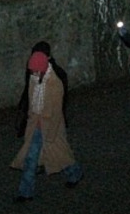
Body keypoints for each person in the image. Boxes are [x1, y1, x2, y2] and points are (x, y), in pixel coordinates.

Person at [11, 47, 83, 202]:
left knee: (59, 154)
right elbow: (31, 103)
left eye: (36, 71)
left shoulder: (55, 84)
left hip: (51, 126)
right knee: (31, 159)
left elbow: (57, 111)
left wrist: (50, 134)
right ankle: (25, 192)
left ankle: (75, 172)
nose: (33, 74)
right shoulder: (34, 79)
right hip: (36, 126)